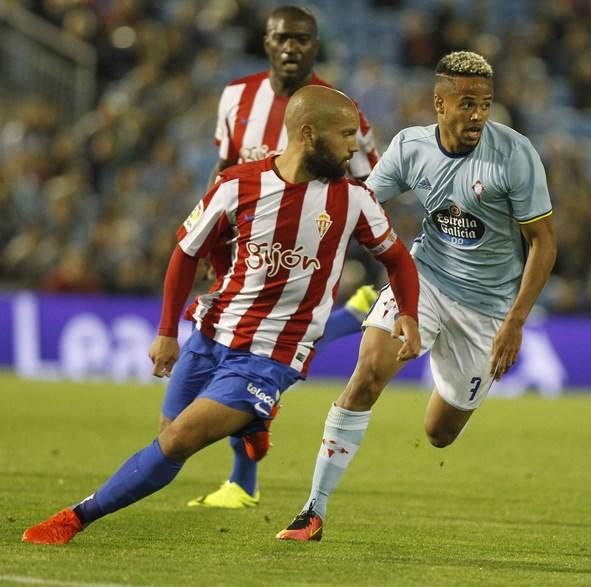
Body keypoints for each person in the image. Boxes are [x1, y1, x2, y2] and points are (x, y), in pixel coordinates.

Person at [21, 85, 421, 546]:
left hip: (271, 358)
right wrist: (168, 331)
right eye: (347, 135)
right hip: (212, 334)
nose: (355, 146)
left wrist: (406, 312)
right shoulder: (237, 184)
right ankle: (253, 426)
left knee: (178, 442)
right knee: (168, 433)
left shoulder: (354, 201)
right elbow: (186, 251)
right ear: (309, 134)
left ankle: (73, 518)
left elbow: (397, 259)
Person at [276, 51, 557, 542]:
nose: (477, 115)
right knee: (366, 375)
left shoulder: (515, 154)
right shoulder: (411, 147)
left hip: (487, 309)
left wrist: (515, 321)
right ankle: (312, 511)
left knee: (438, 433)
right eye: (467, 103)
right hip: (425, 278)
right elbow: (357, 202)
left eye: (486, 105)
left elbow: (543, 242)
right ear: (439, 102)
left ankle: (446, 370)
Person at [194, 5, 382, 509]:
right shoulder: (236, 98)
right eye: (282, 37)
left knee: (263, 348)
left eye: (302, 39)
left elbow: (368, 180)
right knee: (245, 351)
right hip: (246, 251)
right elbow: (223, 167)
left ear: (315, 46)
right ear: (266, 42)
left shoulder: (343, 112)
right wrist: (213, 242)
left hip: (307, 252)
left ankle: (242, 478)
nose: (291, 47)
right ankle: (246, 468)